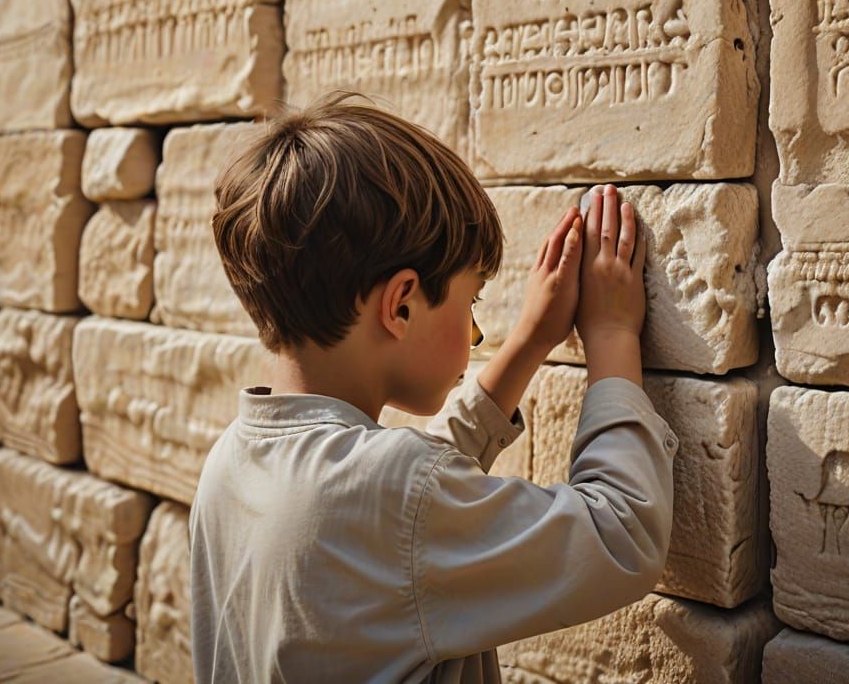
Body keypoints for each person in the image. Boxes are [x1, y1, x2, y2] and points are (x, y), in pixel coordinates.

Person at [190, 90, 679, 683]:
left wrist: (527, 344)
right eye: (470, 302)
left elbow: (394, 510)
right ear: (400, 306)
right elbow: (622, 532)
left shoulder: (230, 464)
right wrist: (610, 334)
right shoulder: (390, 492)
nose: (475, 334)